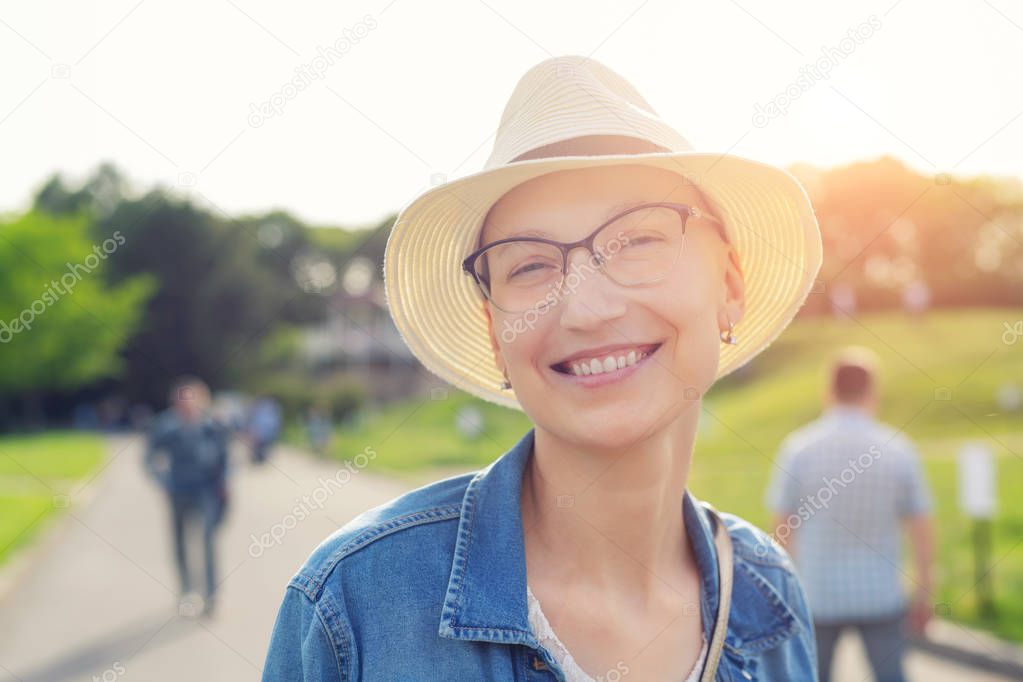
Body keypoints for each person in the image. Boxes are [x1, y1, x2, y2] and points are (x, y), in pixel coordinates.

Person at [264, 55, 824, 680]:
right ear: (495, 335)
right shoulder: (354, 609)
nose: (585, 309)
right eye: (529, 266)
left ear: (728, 283)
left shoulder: (771, 599)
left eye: (638, 240)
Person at [765, 347, 936, 682]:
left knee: (811, 676)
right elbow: (922, 529)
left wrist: (784, 594)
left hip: (817, 594)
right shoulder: (899, 450)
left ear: (828, 390)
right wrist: (925, 592)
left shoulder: (798, 449)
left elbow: (782, 529)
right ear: (872, 391)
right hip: (882, 595)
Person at [144, 376, 231, 618]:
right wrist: (162, 482)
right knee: (180, 543)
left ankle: (212, 595)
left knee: (208, 543)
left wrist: (224, 484)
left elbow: (225, 459)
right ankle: (187, 592)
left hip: (206, 493)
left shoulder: (213, 427)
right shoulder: (166, 427)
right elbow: (150, 458)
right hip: (178, 492)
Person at [246, 395, 282, 465]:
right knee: (259, 445)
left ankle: (259, 458)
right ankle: (258, 458)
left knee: (263, 445)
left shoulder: (271, 410)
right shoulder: (263, 410)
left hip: (265, 432)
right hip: (262, 431)